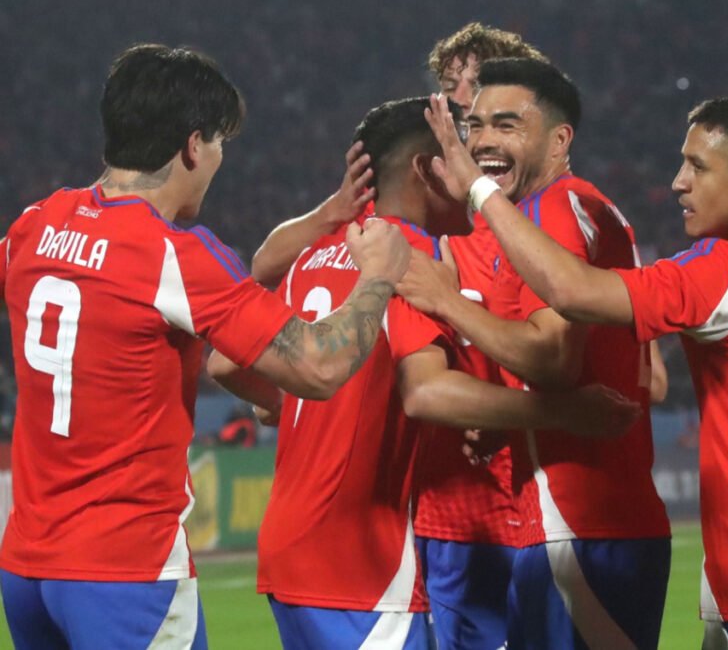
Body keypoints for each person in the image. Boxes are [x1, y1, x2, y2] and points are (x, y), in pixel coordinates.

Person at [419, 91, 728, 649]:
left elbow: (572, 291)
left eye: (697, 167)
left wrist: (479, 190)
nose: (678, 182)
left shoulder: (725, 272)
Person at [0, 43, 412, 649]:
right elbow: (321, 366)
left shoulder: (34, 226)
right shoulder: (175, 255)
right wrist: (378, 275)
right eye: (220, 144)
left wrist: (325, 214)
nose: (219, 161)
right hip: (125, 572)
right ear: (194, 145)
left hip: (26, 569)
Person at [207, 96, 638, 650]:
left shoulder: (318, 250)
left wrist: (309, 406)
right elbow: (428, 392)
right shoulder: (403, 254)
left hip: (291, 548)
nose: (468, 173)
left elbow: (224, 361)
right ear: (422, 170)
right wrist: (568, 413)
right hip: (362, 561)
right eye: (452, 157)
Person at [399, 58, 671, 649]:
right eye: (474, 126)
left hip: (579, 522)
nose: (484, 142)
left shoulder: (557, 207)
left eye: (507, 125)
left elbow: (553, 359)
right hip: (578, 523)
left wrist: (444, 300)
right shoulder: (560, 211)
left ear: (559, 138)